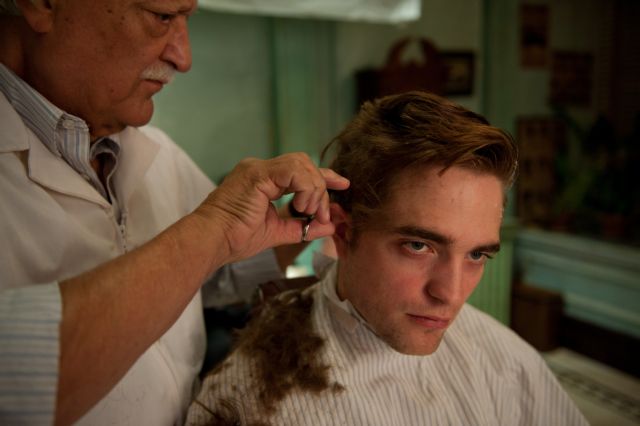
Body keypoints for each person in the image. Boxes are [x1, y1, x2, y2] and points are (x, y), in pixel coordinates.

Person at [0, 0, 349, 425]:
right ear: (42, 5)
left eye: (187, 19)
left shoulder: (156, 151)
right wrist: (212, 229)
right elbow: (18, 382)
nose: (183, 59)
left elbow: (215, 275)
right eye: (162, 16)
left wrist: (302, 218)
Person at [187, 91, 589, 425]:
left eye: (477, 254)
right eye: (418, 246)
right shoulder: (250, 398)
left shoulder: (507, 363)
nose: (451, 294)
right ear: (343, 232)